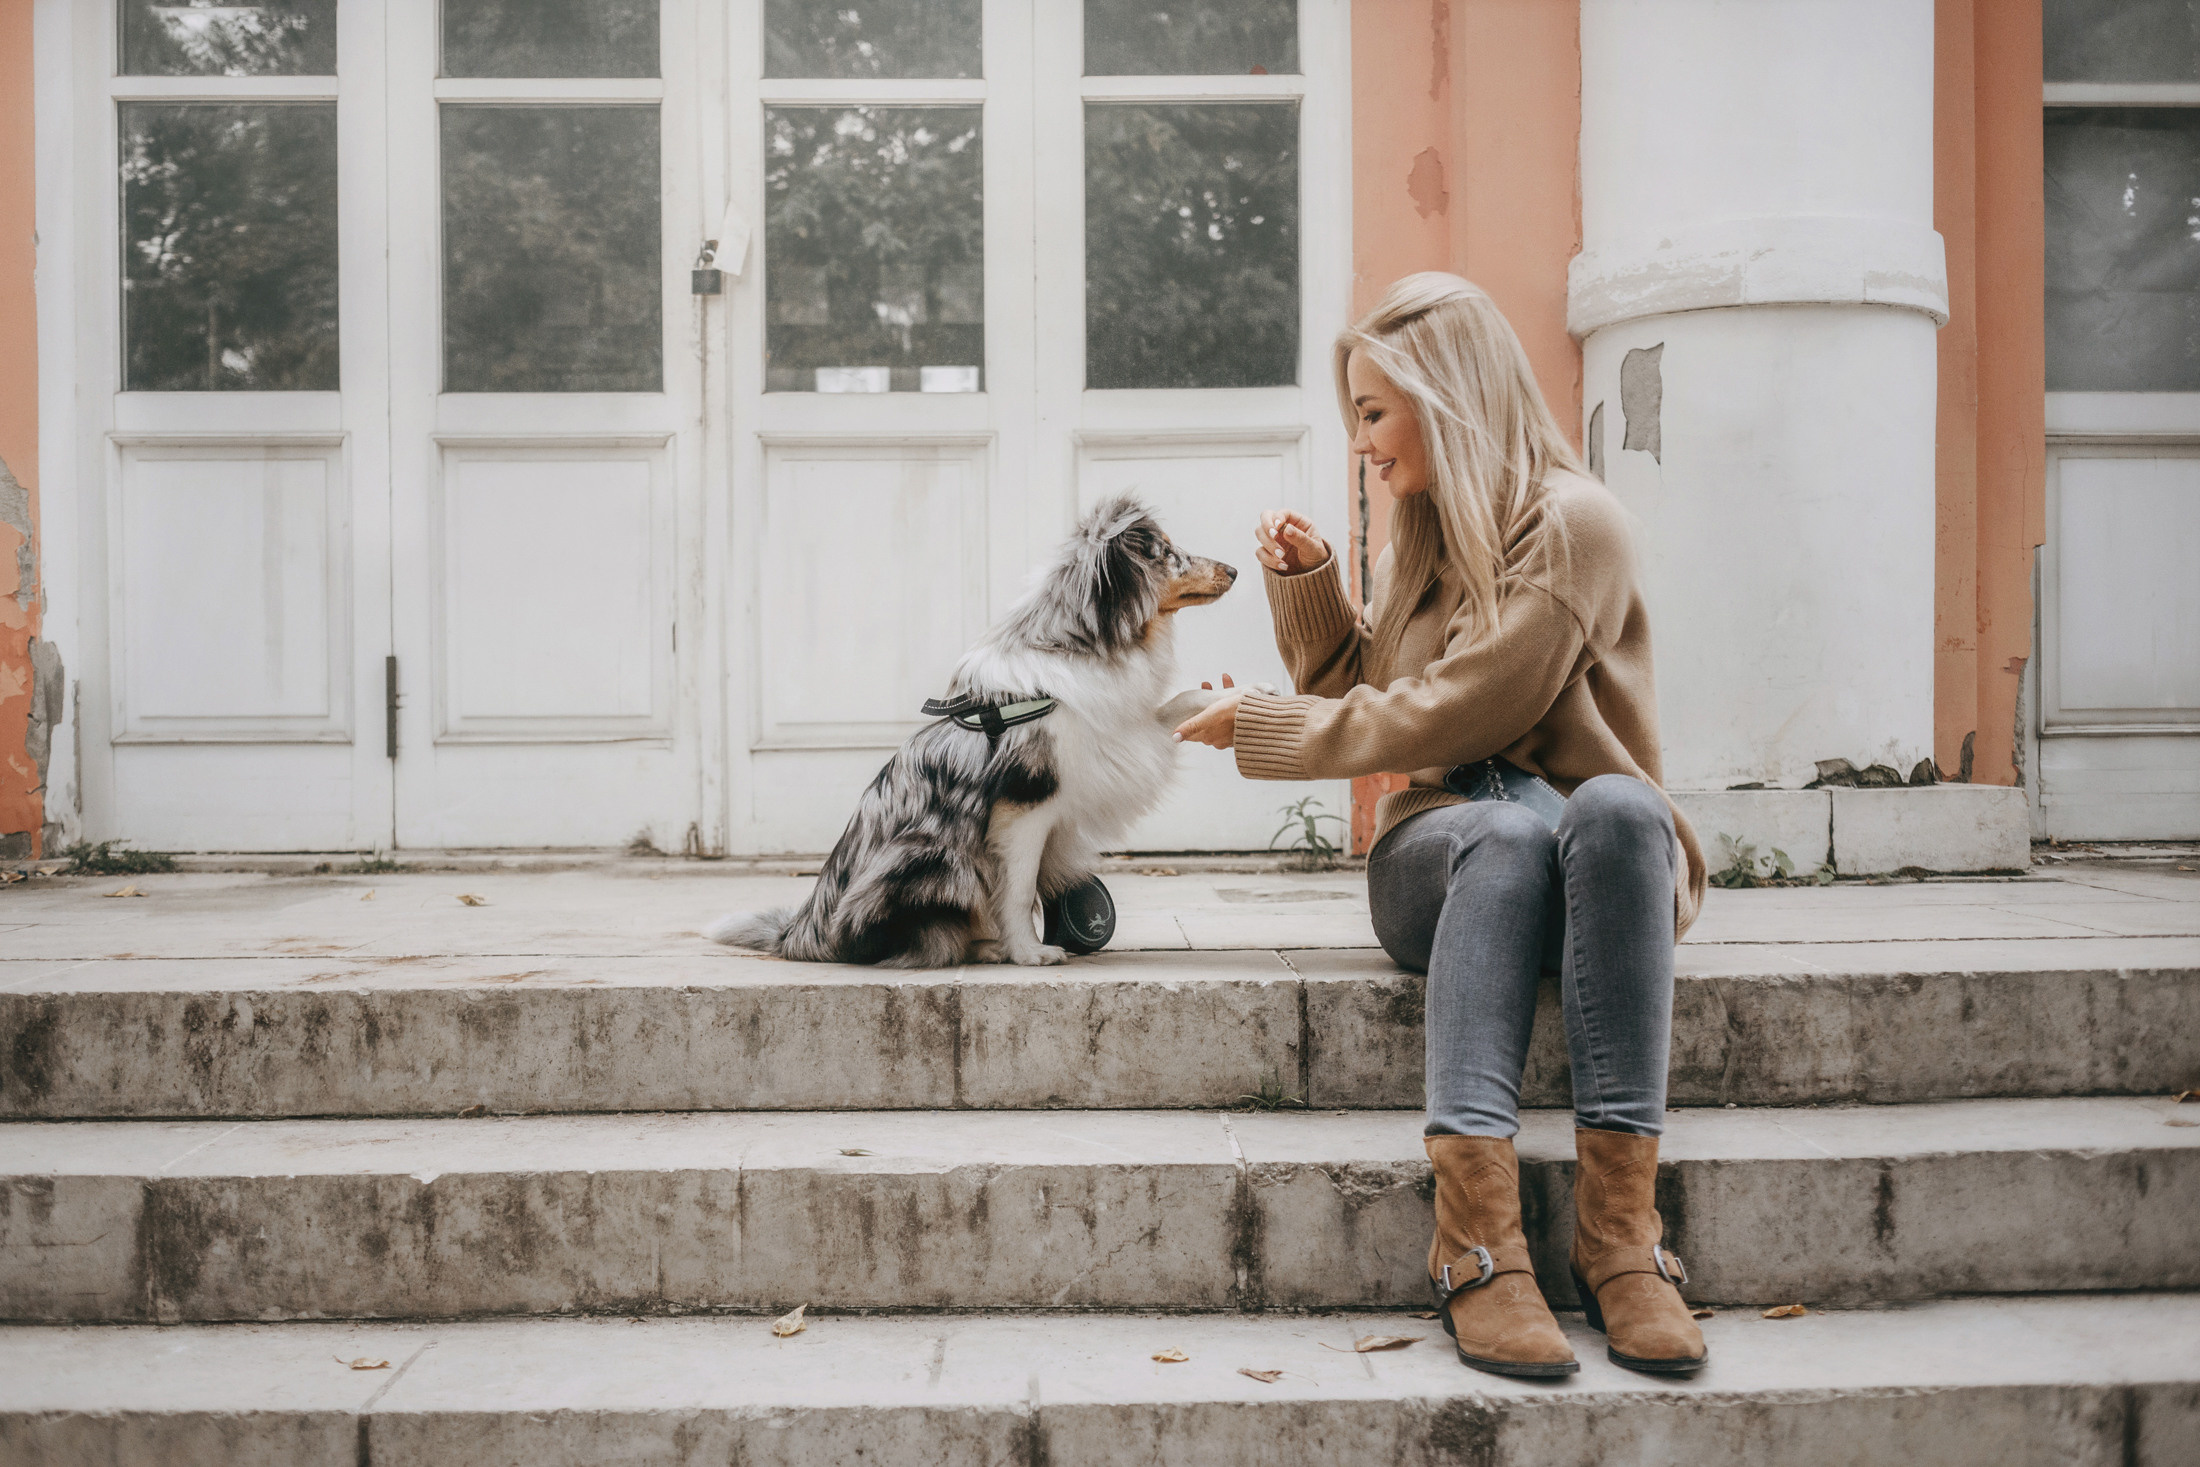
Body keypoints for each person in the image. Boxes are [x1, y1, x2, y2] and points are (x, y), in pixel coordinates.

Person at [1174, 272, 1709, 1378]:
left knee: (1619, 805)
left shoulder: (1575, 526)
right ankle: (1476, 1240)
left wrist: (1262, 726)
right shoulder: (1416, 537)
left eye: (1374, 412)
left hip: (1594, 872)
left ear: (1444, 396)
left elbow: (1467, 710)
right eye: (1355, 416)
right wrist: (1312, 589)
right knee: (1502, 838)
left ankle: (1620, 1238)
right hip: (1447, 860)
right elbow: (1379, 697)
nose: (1362, 442)